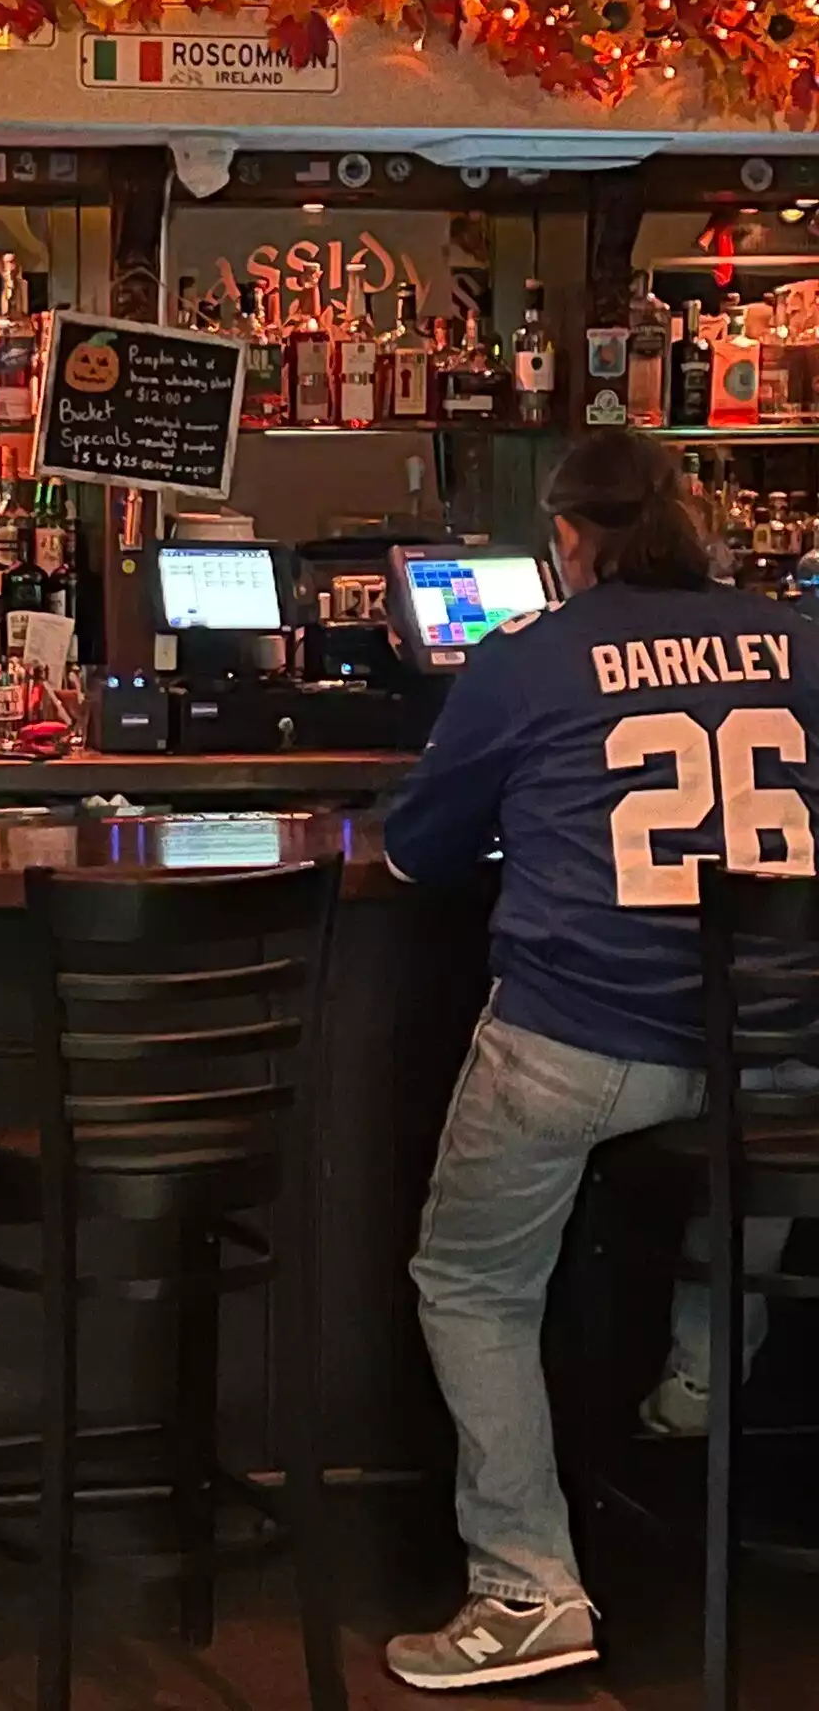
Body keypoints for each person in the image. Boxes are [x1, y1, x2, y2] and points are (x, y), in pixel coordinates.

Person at [380, 427, 819, 1692]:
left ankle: (528, 1584)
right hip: (784, 1053)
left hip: (584, 1037)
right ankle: (699, 1379)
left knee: (471, 1279)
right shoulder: (800, 642)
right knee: (751, 1140)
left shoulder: (529, 658)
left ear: (567, 539)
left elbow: (416, 854)